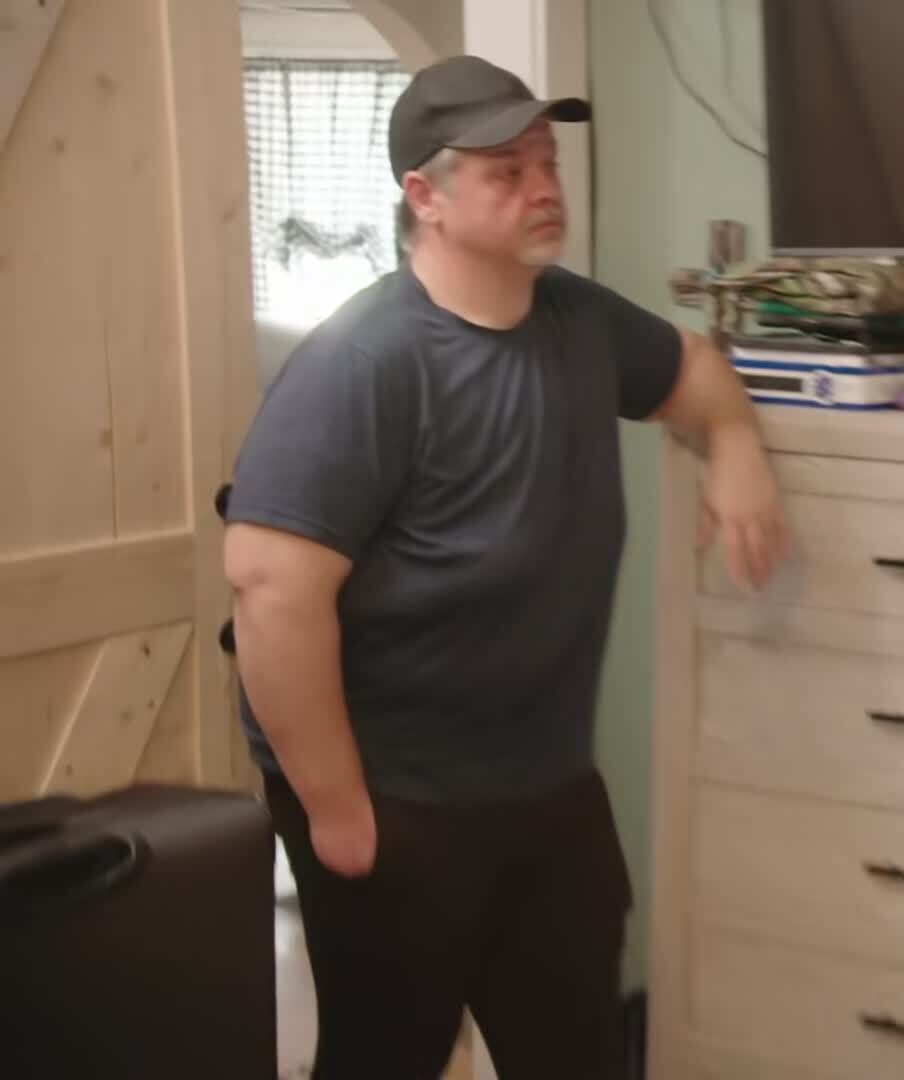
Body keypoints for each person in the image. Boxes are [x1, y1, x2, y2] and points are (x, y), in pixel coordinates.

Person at [221, 55, 786, 1079]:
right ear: (425, 197)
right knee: (386, 1057)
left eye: (547, 161)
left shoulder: (579, 321)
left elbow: (695, 371)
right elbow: (270, 592)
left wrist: (737, 446)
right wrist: (336, 807)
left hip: (546, 788)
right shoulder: (366, 362)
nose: (544, 186)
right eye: (507, 171)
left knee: (575, 1052)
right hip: (397, 793)